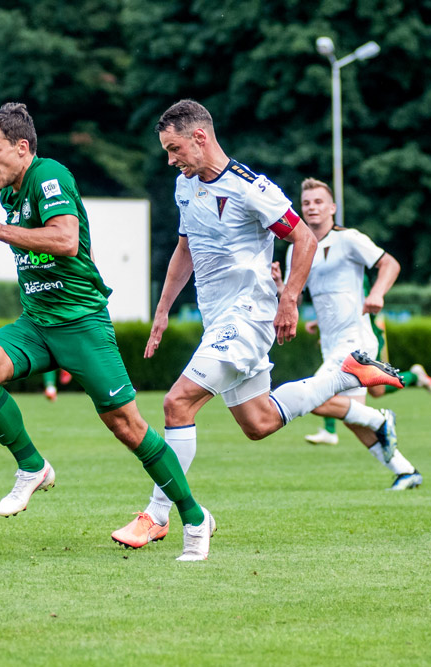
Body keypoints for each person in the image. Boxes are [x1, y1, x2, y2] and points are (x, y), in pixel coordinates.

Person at [109, 100, 403, 553]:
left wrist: (289, 301)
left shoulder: (252, 188)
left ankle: (159, 515)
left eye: (174, 148)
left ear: (200, 138)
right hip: (218, 323)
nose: (170, 159)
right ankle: (346, 373)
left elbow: (301, 237)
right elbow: (185, 250)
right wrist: (163, 309)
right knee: (258, 422)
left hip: (247, 319)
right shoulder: (185, 187)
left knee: (177, 403)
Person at [0, 102, 214, 561]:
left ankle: (194, 518)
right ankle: (32, 467)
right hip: (37, 323)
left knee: (128, 426)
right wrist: (3, 226)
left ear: (22, 148)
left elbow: (65, 240)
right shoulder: (12, 195)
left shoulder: (49, 174)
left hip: (81, 324)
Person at [271, 177, 423, 490]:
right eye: (307, 203)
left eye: (318, 202)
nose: (312, 208)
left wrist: (377, 293)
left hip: (356, 342)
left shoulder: (348, 238)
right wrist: (278, 286)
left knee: (311, 400)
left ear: (332, 208)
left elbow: (390, 264)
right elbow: (295, 297)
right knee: (354, 419)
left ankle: (382, 420)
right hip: (331, 344)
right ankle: (406, 472)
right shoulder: (297, 247)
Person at [303, 281, 431, 447]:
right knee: (373, 390)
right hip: (348, 339)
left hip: (364, 339)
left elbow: (353, 309)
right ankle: (414, 377)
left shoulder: (356, 275)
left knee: (330, 384)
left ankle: (414, 377)